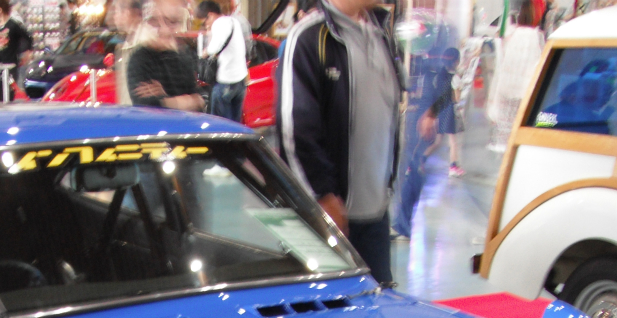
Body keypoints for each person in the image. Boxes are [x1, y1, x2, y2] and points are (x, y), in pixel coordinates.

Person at [276, 0, 401, 284]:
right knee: (327, 306)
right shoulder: (310, 37)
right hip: (328, 218)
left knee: (378, 298)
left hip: (375, 214)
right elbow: (295, 128)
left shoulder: (380, 34)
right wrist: (323, 196)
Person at [391, 40, 458, 239]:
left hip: (419, 124)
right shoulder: (428, 68)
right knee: (411, 173)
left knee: (411, 174)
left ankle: (402, 225)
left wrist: (429, 114)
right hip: (416, 121)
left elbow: (444, 96)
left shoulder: (434, 70)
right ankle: (402, 223)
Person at [487, 0, 543, 150]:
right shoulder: (537, 36)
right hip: (525, 91)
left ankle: (504, 149)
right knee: (524, 126)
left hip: (506, 87)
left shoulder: (511, 34)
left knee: (507, 129)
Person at [128, 0, 201, 111]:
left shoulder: (183, 56)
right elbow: (147, 106)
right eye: (156, 21)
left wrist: (166, 100)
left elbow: (199, 103)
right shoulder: (140, 58)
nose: (164, 29)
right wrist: (186, 101)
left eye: (171, 21)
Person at [196, 0, 247, 123]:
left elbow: (214, 47)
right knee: (235, 124)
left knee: (220, 124)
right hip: (240, 82)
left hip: (226, 81)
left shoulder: (219, 23)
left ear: (210, 15)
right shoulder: (234, 21)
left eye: (204, 22)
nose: (206, 25)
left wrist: (204, 53)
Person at [0, 0, 30, 99]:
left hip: (10, 65)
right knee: (1, 95)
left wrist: (26, 52)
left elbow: (27, 38)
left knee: (8, 93)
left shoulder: (13, 25)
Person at [111, 0, 142, 105]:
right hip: (128, 111)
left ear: (127, 13)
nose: (114, 17)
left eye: (116, 12)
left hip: (140, 112)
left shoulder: (144, 43)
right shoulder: (127, 43)